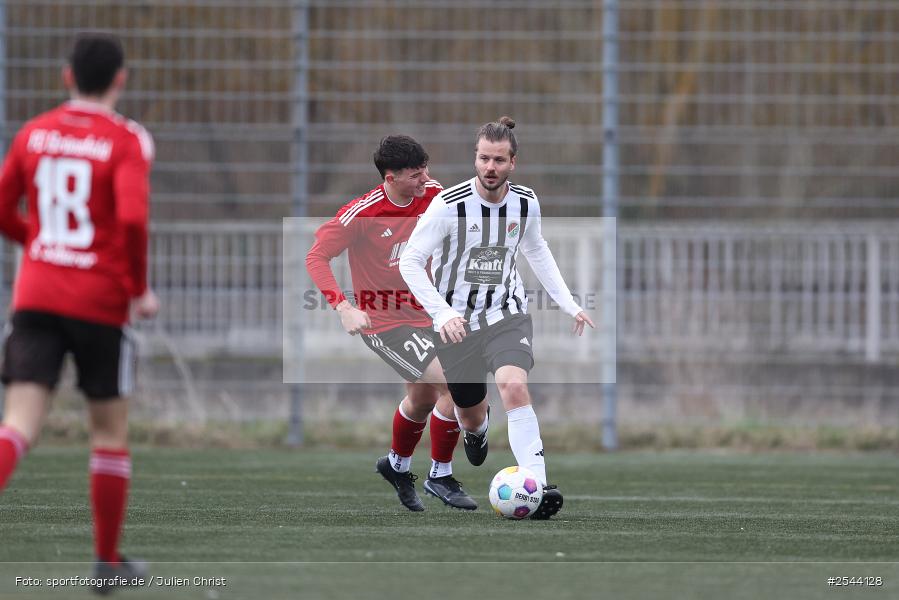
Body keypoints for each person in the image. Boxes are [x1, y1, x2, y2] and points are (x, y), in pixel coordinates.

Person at [0, 33, 158, 592]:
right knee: (108, 432)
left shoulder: (34, 131)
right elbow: (132, 220)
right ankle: (106, 563)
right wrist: (138, 289)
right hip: (99, 302)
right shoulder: (127, 139)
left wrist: (37, 241)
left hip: (37, 295)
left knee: (17, 425)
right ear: (120, 79)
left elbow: (2, 204)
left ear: (67, 76)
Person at [399, 116, 594, 520]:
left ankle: (538, 487)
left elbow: (536, 250)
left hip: (506, 315)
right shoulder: (448, 205)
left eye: (499, 160)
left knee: (514, 385)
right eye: (484, 158)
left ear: (512, 163)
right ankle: (478, 429)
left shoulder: (526, 203)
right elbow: (411, 261)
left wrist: (568, 302)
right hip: (457, 327)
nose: (490, 167)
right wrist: (442, 313)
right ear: (475, 158)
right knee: (470, 415)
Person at [306, 135, 478, 512]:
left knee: (423, 399)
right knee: (454, 385)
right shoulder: (362, 213)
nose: (424, 179)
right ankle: (440, 475)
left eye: (425, 170)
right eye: (415, 174)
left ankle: (396, 466)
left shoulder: (434, 195)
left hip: (429, 314)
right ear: (391, 177)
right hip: (384, 322)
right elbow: (316, 257)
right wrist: (343, 307)